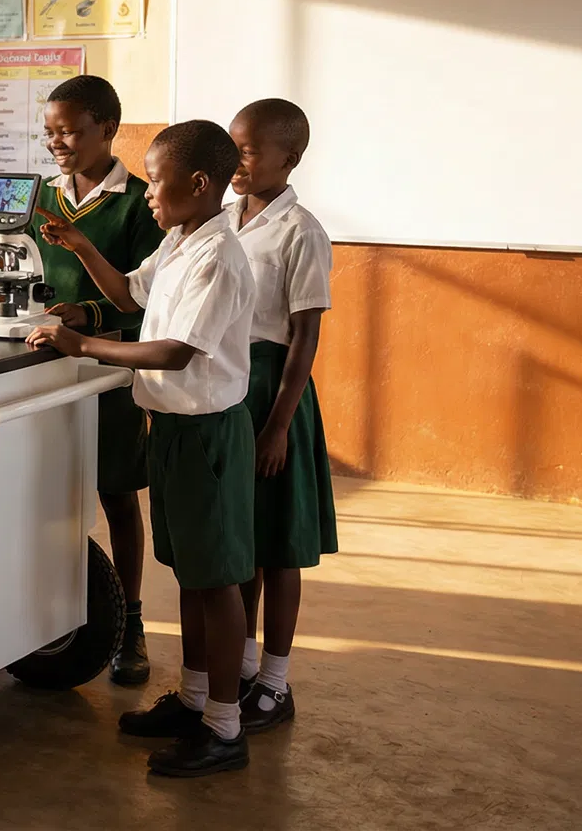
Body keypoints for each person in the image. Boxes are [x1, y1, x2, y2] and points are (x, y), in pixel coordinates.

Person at [27, 119, 257, 778]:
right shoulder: (183, 240)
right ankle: (192, 699)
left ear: (199, 182)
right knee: (190, 571)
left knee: (217, 579)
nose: (148, 192)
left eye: (157, 181)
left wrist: (85, 346)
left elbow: (175, 351)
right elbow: (129, 292)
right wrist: (79, 243)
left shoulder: (218, 257)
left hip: (208, 432)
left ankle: (224, 726)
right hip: (175, 430)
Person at [32, 74, 166, 686]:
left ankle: (129, 623)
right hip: (45, 368)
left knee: (116, 493)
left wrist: (90, 313)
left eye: (71, 131)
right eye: (51, 131)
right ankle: (44, 616)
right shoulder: (43, 199)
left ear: (108, 128)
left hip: (109, 368)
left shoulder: (143, 203)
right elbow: (31, 272)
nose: (58, 142)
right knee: (41, 493)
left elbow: (149, 297)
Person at [226, 98, 337, 734]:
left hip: (275, 395)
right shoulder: (223, 218)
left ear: (288, 159)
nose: (236, 162)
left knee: (279, 545)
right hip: (229, 387)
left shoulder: (303, 231)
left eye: (249, 151)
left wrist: (276, 425)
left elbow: (304, 337)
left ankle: (275, 681)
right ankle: (240, 666)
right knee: (242, 539)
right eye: (233, 147)